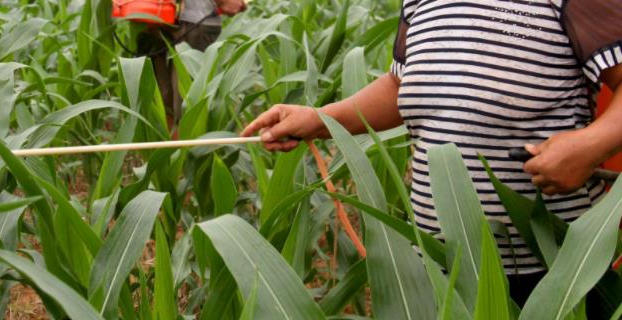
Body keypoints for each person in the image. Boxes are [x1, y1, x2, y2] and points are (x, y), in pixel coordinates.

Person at [241, 0, 622, 305]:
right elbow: (402, 85)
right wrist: (320, 120)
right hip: (439, 262)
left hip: (551, 271)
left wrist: (591, 145)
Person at [137, 0, 247, 130]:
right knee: (171, 93)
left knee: (182, 92)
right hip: (176, 19)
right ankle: (173, 138)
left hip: (190, 21)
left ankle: (181, 139)